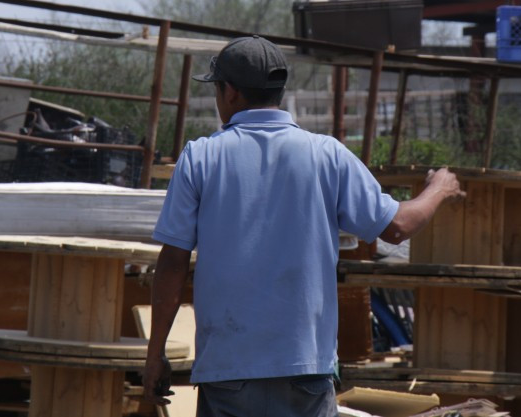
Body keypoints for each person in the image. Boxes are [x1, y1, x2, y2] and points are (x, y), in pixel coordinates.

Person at [142, 35, 464, 417]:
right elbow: (396, 226)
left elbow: (173, 263)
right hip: (305, 372)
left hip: (228, 373)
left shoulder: (201, 157)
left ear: (229, 92)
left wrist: (155, 354)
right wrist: (439, 188)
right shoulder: (325, 154)